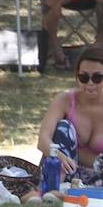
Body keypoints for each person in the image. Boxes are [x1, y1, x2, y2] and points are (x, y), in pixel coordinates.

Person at [36, 42, 103, 186]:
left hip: (97, 178)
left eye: (97, 78)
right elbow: (42, 140)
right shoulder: (65, 100)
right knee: (63, 127)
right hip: (62, 171)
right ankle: (53, 190)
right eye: (83, 78)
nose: (90, 83)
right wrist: (59, 155)